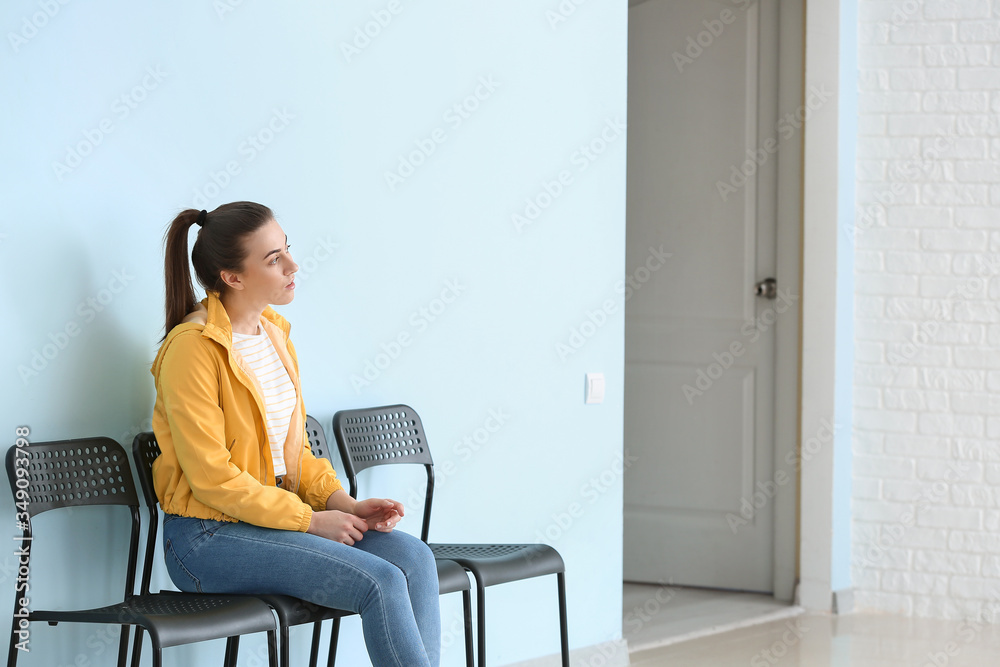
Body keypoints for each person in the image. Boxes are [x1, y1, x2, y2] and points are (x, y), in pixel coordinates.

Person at [150, 201, 441, 667]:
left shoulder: (275, 337)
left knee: (415, 560)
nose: (292, 265)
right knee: (379, 581)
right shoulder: (192, 350)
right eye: (273, 259)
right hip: (207, 539)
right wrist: (308, 521)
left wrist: (341, 505)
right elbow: (212, 479)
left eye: (287, 250)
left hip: (271, 522)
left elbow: (295, 454)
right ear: (233, 277)